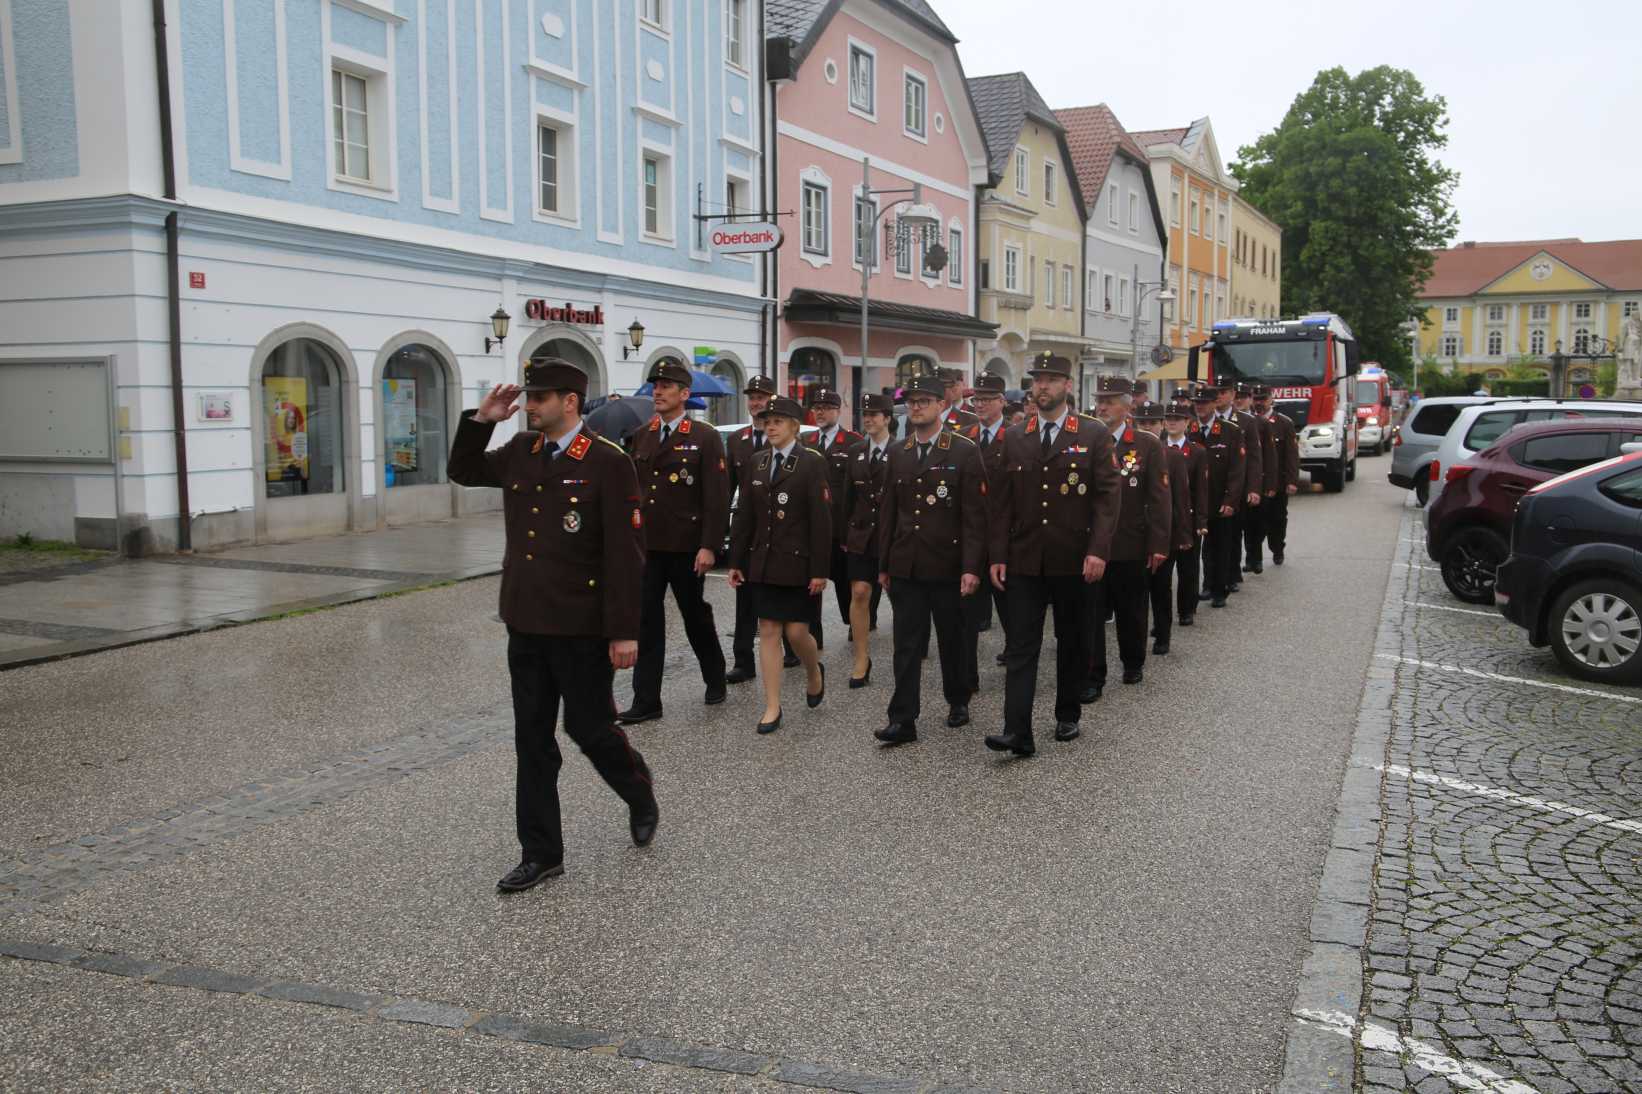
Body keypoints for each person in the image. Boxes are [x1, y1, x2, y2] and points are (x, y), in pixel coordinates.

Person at [448, 361, 658, 894]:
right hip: (526, 622)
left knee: (589, 730)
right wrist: (482, 420)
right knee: (532, 741)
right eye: (529, 396)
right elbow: (464, 470)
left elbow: (625, 556)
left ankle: (638, 791)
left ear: (570, 401)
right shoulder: (522, 450)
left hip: (580, 627)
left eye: (540, 397)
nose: (530, 405)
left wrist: (624, 631)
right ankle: (541, 854)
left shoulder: (608, 462)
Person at [984, 353, 1120, 756]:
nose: (1042, 386)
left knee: (1072, 640)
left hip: (1074, 558)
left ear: (1067, 385)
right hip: (1025, 558)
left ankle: (1067, 713)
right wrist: (998, 554)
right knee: (1021, 645)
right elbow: (1001, 503)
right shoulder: (1016, 436)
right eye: (1038, 379)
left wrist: (1098, 550)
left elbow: (1108, 498)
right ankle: (1016, 731)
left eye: (1051, 379)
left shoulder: (1093, 434)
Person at [873, 375, 988, 745]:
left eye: (924, 401)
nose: (917, 407)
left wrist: (971, 567)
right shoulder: (899, 452)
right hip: (907, 563)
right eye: (912, 401)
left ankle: (958, 699)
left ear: (941, 405)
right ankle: (902, 719)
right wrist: (884, 564)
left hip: (947, 563)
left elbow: (974, 517)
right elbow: (889, 512)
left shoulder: (963, 450)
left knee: (952, 640)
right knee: (906, 645)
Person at [618, 358, 730, 725]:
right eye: (656, 386)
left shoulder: (704, 437)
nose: (658, 392)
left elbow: (716, 496)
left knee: (694, 616)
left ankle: (715, 675)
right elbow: (634, 492)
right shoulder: (642, 435)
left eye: (666, 386)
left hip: (686, 546)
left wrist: (709, 545)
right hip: (648, 546)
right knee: (646, 622)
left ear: (684, 394)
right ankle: (646, 699)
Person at [727, 397, 832, 734]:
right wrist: (736, 560)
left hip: (798, 562)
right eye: (767, 421)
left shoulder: (811, 462)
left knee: (797, 632)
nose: (770, 427)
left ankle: (813, 671)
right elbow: (745, 515)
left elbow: (821, 521)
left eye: (778, 422)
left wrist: (820, 570)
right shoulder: (757, 462)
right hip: (763, 561)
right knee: (769, 630)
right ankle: (772, 706)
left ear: (794, 427)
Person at [1086, 378, 1170, 697]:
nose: (1102, 407)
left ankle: (1133, 662)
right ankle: (1093, 676)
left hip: (1130, 542)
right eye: (1099, 401)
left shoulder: (1147, 444)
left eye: (1109, 401)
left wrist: (1158, 543)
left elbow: (1159, 498)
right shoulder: (1086, 439)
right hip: (1092, 543)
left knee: (1131, 610)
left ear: (1127, 406)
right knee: (1092, 613)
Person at [725, 374, 777, 684]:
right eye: (752, 398)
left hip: (778, 528)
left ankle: (792, 649)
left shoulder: (781, 436)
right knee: (744, 598)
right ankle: (743, 661)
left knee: (778, 592)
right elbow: (726, 490)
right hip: (746, 529)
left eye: (762, 397)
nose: (756, 403)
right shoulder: (737, 440)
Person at [801, 387, 860, 652]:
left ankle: (854, 621)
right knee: (812, 585)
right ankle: (814, 636)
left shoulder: (853, 443)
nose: (820, 412)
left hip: (840, 529)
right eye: (817, 408)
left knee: (845, 583)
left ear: (838, 411)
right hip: (813, 529)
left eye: (826, 408)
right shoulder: (806, 441)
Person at [842, 393, 894, 687]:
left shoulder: (901, 450)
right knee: (860, 592)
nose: (869, 419)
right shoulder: (856, 451)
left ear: (887, 418)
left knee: (901, 597)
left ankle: (910, 649)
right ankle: (861, 658)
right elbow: (848, 497)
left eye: (874, 414)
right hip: (862, 535)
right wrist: (845, 535)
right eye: (866, 414)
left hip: (893, 535)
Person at [964, 371, 1012, 672]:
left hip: (1003, 532)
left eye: (986, 399)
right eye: (976, 399)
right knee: (967, 606)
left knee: (1008, 602)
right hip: (970, 532)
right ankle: (966, 668)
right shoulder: (964, 437)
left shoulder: (1016, 437)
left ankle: (1015, 647)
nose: (979, 404)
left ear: (1002, 401)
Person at [1157, 400, 1209, 641]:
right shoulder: (1156, 448)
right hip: (1163, 520)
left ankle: (1186, 609)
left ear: (1187, 422)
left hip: (1188, 518)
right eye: (1168, 418)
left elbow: (1201, 490)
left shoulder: (1197, 452)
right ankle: (1162, 619)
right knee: (1162, 573)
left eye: (1177, 419)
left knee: (1188, 568)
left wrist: (1201, 521)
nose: (1172, 422)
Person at [1191, 385, 1246, 609]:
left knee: (1220, 546)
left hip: (1218, 499)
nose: (1200, 407)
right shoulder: (1189, 429)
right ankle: (1207, 584)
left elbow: (1237, 470)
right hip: (1194, 502)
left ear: (1214, 404)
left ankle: (1219, 589)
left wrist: (1230, 500)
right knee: (1198, 549)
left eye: (1204, 403)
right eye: (1197, 403)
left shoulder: (1230, 431)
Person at [1219, 382, 1263, 593]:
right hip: (1213, 485)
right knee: (1213, 537)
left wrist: (1254, 487)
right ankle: (1212, 581)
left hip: (1239, 485)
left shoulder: (1246, 421)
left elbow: (1254, 458)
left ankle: (1232, 573)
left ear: (1232, 394)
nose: (1219, 396)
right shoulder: (1202, 421)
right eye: (1216, 392)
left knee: (1234, 532)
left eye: (1223, 392)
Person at [1235, 382, 1279, 576]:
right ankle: (1245, 560)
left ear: (1250, 399)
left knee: (1257, 523)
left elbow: (1268, 456)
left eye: (1243, 397)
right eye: (1237, 397)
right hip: (1237, 481)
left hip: (1255, 480)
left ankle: (1256, 558)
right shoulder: (1229, 421)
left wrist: (1269, 483)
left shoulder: (1260, 422)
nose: (1239, 401)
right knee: (1241, 524)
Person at [1252, 385, 1300, 565]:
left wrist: (1292, 480)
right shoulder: (1249, 421)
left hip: (1278, 482)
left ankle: (1277, 548)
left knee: (1277, 519)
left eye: (1263, 399)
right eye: (1256, 399)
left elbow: (1291, 455)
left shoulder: (1284, 423)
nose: (1259, 403)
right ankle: (1254, 557)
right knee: (1255, 522)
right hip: (1256, 482)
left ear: (1271, 399)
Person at [940, 367, 980, 432]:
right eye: (949, 386)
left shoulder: (974, 414)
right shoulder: (934, 413)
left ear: (964, 385)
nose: (954, 389)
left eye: (957, 385)